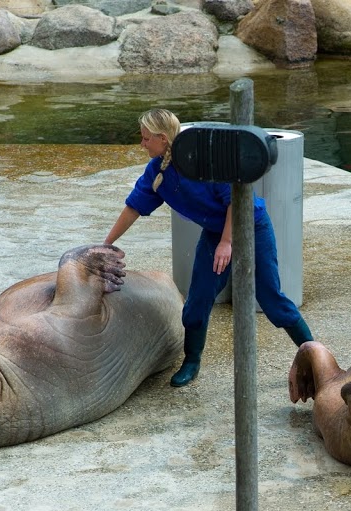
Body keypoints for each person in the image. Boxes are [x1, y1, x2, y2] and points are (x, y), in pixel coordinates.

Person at [104, 108, 314, 387]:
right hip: (216, 233)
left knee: (271, 299)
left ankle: (315, 357)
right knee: (198, 300)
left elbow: (236, 200)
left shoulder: (202, 162)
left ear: (163, 138)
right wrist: (106, 244)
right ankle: (192, 361)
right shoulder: (158, 170)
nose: (141, 144)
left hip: (251, 227)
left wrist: (227, 243)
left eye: (145, 139)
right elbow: (134, 207)